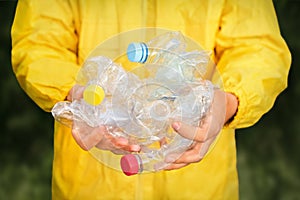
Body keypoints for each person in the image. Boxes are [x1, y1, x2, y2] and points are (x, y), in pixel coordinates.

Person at [11, 0, 291, 199]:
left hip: (199, 185)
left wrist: (226, 102)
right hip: (90, 183)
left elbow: (258, 48)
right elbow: (37, 42)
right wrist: (78, 96)